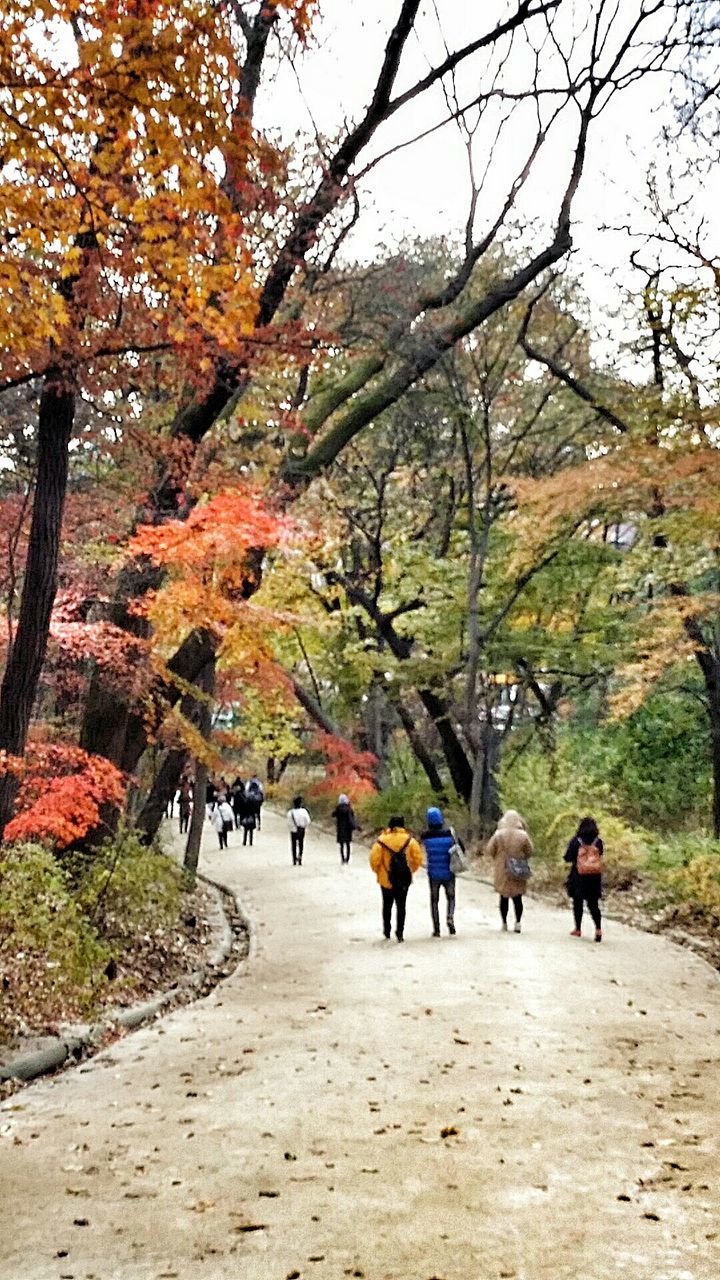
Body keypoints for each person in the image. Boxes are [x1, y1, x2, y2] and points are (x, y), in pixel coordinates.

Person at [369, 815, 424, 943]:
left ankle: (387, 931)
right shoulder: (410, 841)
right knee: (401, 906)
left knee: (387, 905)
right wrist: (410, 871)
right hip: (403, 880)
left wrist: (380, 872)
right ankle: (400, 932)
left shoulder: (381, 841)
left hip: (385, 879)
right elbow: (418, 859)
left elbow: (374, 860)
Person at [484, 809, 533, 933]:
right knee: (518, 898)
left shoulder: (498, 835)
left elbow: (490, 850)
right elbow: (530, 851)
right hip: (519, 868)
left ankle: (504, 923)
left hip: (502, 869)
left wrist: (499, 857)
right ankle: (518, 923)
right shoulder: (523, 836)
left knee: (503, 897)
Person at [420, 805, 462, 937]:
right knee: (451, 897)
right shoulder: (450, 835)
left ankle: (436, 928)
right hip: (449, 871)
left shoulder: (426, 837)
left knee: (434, 900)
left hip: (433, 873)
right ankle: (450, 916)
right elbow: (461, 849)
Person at [564, 815, 604, 942]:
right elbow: (600, 854)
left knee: (578, 902)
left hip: (578, 876)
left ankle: (578, 928)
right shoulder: (598, 842)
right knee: (593, 904)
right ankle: (598, 929)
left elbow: (568, 857)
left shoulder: (576, 841)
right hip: (594, 877)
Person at [331, 793, 357, 864]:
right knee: (348, 844)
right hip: (348, 829)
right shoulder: (349, 809)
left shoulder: (338, 808)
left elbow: (333, 815)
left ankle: (342, 858)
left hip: (340, 828)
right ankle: (347, 859)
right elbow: (352, 818)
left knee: (342, 845)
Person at [287, 795, 311, 864]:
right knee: (301, 844)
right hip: (301, 829)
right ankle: (300, 857)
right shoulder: (304, 811)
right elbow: (308, 821)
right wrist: (304, 826)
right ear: (300, 803)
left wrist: (292, 828)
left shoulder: (290, 812)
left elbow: (288, 823)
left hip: (293, 831)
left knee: (293, 845)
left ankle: (294, 859)